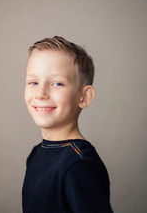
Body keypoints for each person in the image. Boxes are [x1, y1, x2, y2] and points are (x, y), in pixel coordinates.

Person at [22, 36, 113, 213]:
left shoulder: (79, 165)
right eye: (33, 82)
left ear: (84, 97)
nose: (41, 93)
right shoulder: (36, 154)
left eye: (57, 83)